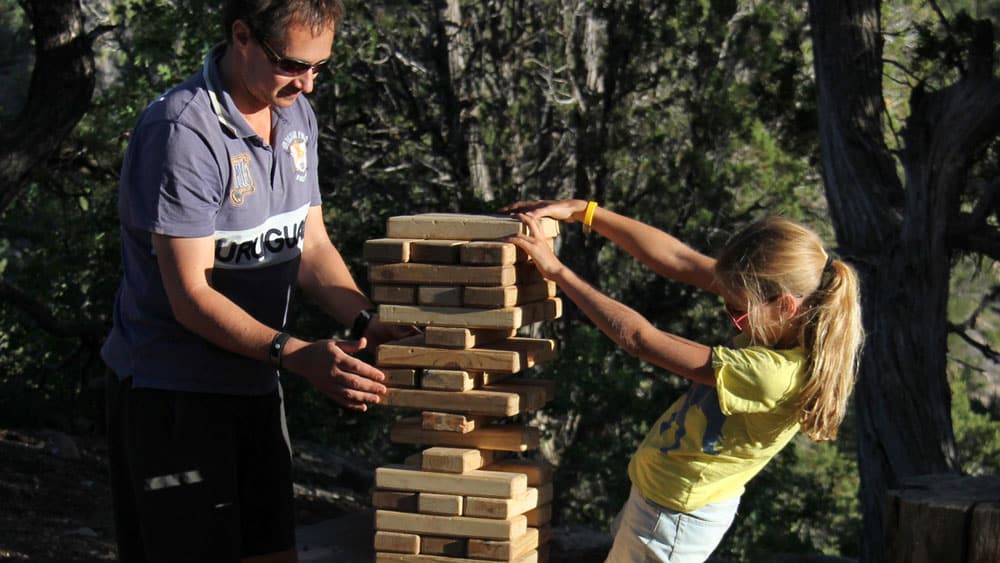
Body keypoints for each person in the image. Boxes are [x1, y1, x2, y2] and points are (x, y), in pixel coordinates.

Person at [101, 1, 409, 561]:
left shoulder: (294, 113)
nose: (309, 84)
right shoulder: (182, 132)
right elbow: (191, 297)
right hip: (175, 395)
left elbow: (309, 245)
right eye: (294, 64)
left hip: (258, 383)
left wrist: (366, 319)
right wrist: (298, 355)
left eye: (320, 67)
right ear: (241, 36)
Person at [502, 200, 863, 563]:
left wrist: (558, 272)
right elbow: (679, 260)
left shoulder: (773, 375)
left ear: (785, 306)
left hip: (675, 520)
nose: (732, 316)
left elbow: (640, 340)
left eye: (737, 310)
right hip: (663, 500)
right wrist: (585, 212)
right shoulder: (782, 315)